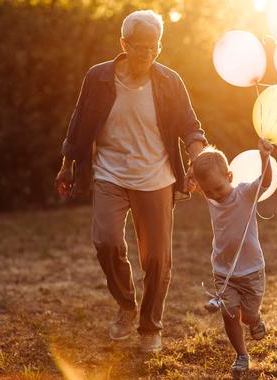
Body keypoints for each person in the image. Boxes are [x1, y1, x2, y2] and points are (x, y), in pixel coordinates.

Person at [54, 10, 207, 353]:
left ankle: (150, 327)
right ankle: (126, 304)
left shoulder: (170, 81)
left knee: (157, 260)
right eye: (140, 47)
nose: (147, 55)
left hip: (155, 177)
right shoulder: (98, 77)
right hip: (110, 172)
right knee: (106, 241)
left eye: (153, 47)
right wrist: (67, 166)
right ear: (123, 44)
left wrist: (197, 162)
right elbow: (78, 126)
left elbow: (190, 126)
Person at [191, 138, 273, 378]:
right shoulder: (210, 197)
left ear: (230, 176)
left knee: (247, 316)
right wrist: (190, 174)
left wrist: (264, 157)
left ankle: (255, 319)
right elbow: (196, 178)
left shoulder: (245, 193)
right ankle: (241, 354)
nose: (214, 195)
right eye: (207, 192)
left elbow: (265, 182)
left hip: (252, 270)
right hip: (224, 272)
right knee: (230, 315)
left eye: (218, 188)